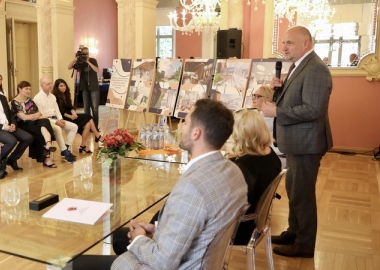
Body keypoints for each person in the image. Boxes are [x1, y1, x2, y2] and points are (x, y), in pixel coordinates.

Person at [73, 99, 248, 269]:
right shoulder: (234, 172)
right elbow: (200, 227)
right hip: (202, 259)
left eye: (185, 123)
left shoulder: (193, 188)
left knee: (72, 265)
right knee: (120, 236)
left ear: (196, 133)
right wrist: (158, 230)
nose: (181, 128)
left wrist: (140, 239)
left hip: (176, 264)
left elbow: (161, 262)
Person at [261, 26, 332, 258]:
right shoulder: (299, 66)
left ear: (306, 43)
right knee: (294, 189)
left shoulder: (316, 69)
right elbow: (298, 100)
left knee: (302, 193)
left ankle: (305, 244)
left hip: (306, 143)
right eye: (283, 42)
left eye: (289, 43)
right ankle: (294, 232)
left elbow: (313, 109)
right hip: (296, 142)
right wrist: (277, 92)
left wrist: (278, 110)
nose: (284, 47)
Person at [226, 109, 282, 245]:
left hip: (239, 229)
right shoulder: (271, 156)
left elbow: (229, 202)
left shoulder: (244, 166)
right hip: (255, 224)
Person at [10, 81, 57, 168]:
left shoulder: (29, 100)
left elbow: (39, 113)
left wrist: (33, 116)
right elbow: (23, 118)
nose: (28, 91)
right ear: (19, 89)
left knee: (45, 121)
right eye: (26, 89)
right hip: (22, 124)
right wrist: (34, 116)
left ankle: (48, 144)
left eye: (30, 89)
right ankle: (47, 157)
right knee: (39, 130)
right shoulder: (14, 102)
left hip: (32, 121)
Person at [52, 78, 103, 154]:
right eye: (61, 86)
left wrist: (74, 113)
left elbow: (70, 107)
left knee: (88, 124)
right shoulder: (55, 97)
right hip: (63, 117)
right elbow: (60, 112)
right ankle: (97, 135)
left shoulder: (66, 94)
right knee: (88, 116)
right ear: (57, 88)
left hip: (70, 115)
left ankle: (83, 145)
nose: (63, 87)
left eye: (64, 85)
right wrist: (71, 116)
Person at [33, 77, 77, 164]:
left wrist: (60, 119)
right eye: (48, 84)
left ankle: (67, 147)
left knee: (74, 127)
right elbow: (41, 115)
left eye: (51, 83)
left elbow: (57, 110)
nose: (50, 85)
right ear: (41, 85)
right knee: (58, 129)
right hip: (46, 121)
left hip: (56, 119)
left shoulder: (52, 96)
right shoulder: (37, 98)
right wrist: (56, 122)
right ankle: (65, 151)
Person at [67, 47, 100, 131]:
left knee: (95, 109)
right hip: (84, 88)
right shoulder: (79, 62)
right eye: (84, 53)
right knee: (86, 109)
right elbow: (69, 67)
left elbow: (97, 70)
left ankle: (95, 127)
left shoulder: (93, 60)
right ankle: (89, 126)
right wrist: (75, 60)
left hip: (94, 87)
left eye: (87, 53)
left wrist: (88, 61)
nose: (86, 55)